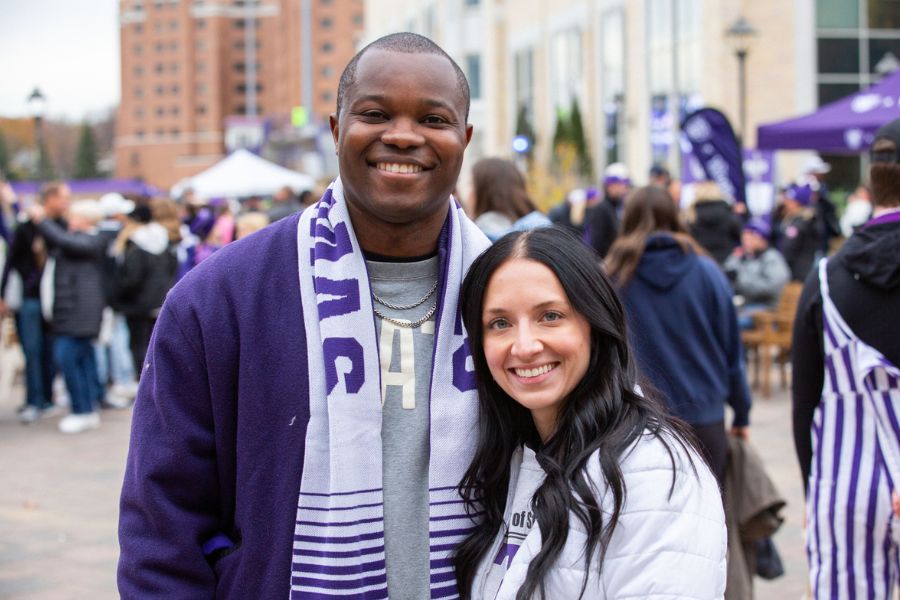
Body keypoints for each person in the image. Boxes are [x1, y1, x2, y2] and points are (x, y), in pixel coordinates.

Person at [118, 32, 490, 598]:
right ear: (337, 128)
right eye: (375, 113)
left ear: (464, 139)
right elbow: (162, 528)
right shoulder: (218, 299)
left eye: (433, 119)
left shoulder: (519, 300)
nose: (403, 136)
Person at [453, 228, 726, 599]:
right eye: (500, 323)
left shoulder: (653, 472)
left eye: (549, 315)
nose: (525, 345)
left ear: (594, 323)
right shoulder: (514, 458)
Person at [792, 118, 900, 599]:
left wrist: (811, 487)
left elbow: (803, 402)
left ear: (872, 180)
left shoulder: (825, 277)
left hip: (846, 482)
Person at [605, 185, 751, 483]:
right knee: (711, 524)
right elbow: (732, 351)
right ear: (676, 217)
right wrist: (741, 411)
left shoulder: (611, 277)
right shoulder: (707, 272)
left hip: (635, 423)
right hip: (704, 417)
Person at [29, 199, 108, 434]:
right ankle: (86, 408)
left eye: (73, 217)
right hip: (74, 314)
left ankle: (81, 410)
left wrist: (40, 219)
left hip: (77, 315)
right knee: (81, 362)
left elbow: (61, 239)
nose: (69, 221)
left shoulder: (93, 240)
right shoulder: (86, 240)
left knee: (68, 361)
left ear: (85, 220)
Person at [0, 182, 70, 423]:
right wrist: (3, 294)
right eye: (63, 198)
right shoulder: (26, 227)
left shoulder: (60, 225)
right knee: (32, 351)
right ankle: (34, 400)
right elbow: (11, 260)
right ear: (49, 199)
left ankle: (47, 398)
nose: (66, 203)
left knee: (50, 351)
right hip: (31, 299)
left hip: (53, 300)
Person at [110, 203, 178, 378]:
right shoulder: (165, 240)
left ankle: (143, 384)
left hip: (137, 304)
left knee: (139, 345)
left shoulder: (135, 246)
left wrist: (117, 297)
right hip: (160, 299)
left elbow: (132, 279)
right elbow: (173, 268)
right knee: (155, 345)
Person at [724, 217, 791, 329]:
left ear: (762, 239)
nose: (746, 239)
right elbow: (725, 275)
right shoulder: (740, 256)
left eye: (751, 235)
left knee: (730, 323)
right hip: (741, 305)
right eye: (745, 234)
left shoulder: (772, 258)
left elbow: (772, 287)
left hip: (766, 309)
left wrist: (740, 280)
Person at [469, 157, 551, 241]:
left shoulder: (477, 240)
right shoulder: (543, 233)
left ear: (483, 192)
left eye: (471, 186)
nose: (469, 194)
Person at [774, 182, 821, 281]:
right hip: (796, 271)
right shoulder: (794, 219)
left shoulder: (802, 222)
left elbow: (789, 247)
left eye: (790, 201)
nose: (786, 203)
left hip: (798, 273)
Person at [687, 180, 743, 266]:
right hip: (727, 262)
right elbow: (740, 236)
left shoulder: (691, 216)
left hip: (701, 262)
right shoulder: (728, 214)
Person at [584, 162, 630, 258]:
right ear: (610, 185)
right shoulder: (601, 209)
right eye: (622, 185)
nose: (624, 189)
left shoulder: (618, 207)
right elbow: (595, 244)